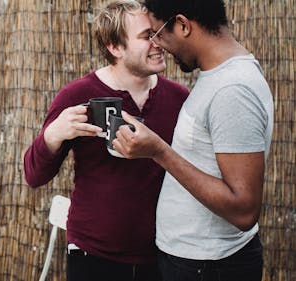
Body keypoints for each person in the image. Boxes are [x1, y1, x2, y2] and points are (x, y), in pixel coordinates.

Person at [23, 1, 188, 280]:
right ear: (115, 47)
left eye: (158, 33)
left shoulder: (180, 99)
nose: (159, 42)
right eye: (147, 36)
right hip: (93, 257)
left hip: (163, 257)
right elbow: (33, 176)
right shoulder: (78, 96)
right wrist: (52, 135)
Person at [112, 1, 274, 281]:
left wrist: (159, 152)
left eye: (159, 33)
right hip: (196, 261)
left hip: (209, 266)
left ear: (184, 25)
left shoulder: (232, 90)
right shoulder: (218, 76)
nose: (158, 44)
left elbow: (244, 209)